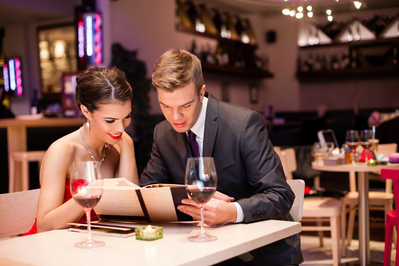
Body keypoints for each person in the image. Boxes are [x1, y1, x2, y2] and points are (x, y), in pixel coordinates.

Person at [140, 49, 303, 265]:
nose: (175, 117)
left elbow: (281, 195)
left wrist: (233, 212)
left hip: (259, 251)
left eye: (185, 106)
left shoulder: (244, 124)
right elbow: (150, 190)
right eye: (165, 106)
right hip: (194, 248)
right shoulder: (162, 133)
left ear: (201, 92)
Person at [23, 66, 139, 235]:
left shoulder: (116, 150)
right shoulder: (62, 151)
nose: (120, 128)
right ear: (86, 111)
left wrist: (128, 145)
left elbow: (131, 211)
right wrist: (93, 190)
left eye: (126, 117)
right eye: (110, 120)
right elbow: (44, 226)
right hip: (53, 247)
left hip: (96, 245)